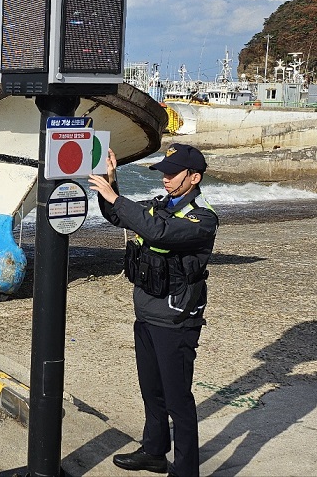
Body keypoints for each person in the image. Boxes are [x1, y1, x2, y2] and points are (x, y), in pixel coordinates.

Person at [87, 143, 218, 477]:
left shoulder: (202, 218)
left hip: (175, 319)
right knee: (152, 391)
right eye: (164, 173)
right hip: (146, 312)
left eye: (173, 174)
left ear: (195, 177)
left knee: (178, 401)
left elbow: (157, 231)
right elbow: (117, 216)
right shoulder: (161, 204)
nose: (166, 179)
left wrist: (117, 198)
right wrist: (112, 182)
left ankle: (186, 470)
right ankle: (155, 451)